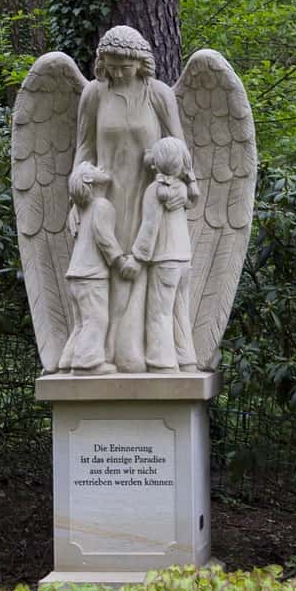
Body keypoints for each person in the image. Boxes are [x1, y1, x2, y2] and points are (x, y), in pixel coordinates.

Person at [72, 26, 198, 371]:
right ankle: (101, 355)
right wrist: (77, 188)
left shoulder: (158, 95)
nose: (117, 73)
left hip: (149, 198)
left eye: (125, 67)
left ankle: (143, 356)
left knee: (144, 279)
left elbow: (180, 152)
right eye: (111, 66)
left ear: (141, 63)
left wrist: (184, 189)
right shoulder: (94, 95)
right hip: (106, 200)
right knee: (106, 283)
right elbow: (83, 149)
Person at [58, 162, 138, 374]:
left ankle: (67, 360)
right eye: (93, 168)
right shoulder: (101, 205)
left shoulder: (81, 209)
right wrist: (121, 262)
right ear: (88, 180)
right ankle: (88, 363)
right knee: (96, 319)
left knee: (81, 323)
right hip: (91, 275)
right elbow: (105, 240)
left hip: (76, 274)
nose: (100, 167)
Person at [131, 137, 199, 372]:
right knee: (181, 312)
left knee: (159, 314)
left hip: (164, 259)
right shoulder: (182, 189)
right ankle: (187, 359)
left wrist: (137, 258)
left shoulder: (156, 190)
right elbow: (193, 197)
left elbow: (149, 229)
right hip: (184, 259)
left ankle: (162, 363)